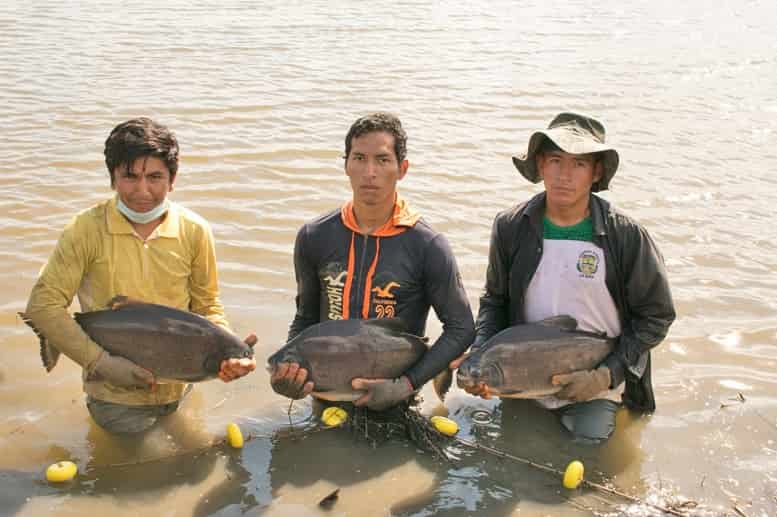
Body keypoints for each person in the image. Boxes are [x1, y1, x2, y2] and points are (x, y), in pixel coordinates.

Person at [22, 117, 257, 434]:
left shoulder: (195, 231)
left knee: (191, 464)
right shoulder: (84, 230)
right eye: (130, 176)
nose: (142, 190)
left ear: (172, 180)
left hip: (180, 387)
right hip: (113, 398)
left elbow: (207, 305)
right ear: (113, 178)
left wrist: (228, 351)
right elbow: (43, 307)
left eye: (155, 177)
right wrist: (101, 364)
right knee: (144, 473)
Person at [452, 112, 675, 444]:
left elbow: (656, 317)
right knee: (508, 451)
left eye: (579, 164)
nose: (564, 175)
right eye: (555, 160)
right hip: (522, 375)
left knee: (590, 445)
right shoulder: (511, 227)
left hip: (594, 377)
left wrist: (605, 375)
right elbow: (495, 301)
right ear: (540, 165)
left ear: (596, 171)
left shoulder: (625, 235)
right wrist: (482, 354)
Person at [270, 112, 475, 411]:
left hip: (396, 400)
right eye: (359, 158)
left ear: (402, 169)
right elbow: (305, 318)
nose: (369, 172)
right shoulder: (314, 236)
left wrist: (404, 385)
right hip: (326, 396)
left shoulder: (427, 244)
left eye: (382, 160)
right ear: (345, 165)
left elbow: (461, 328)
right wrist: (292, 371)